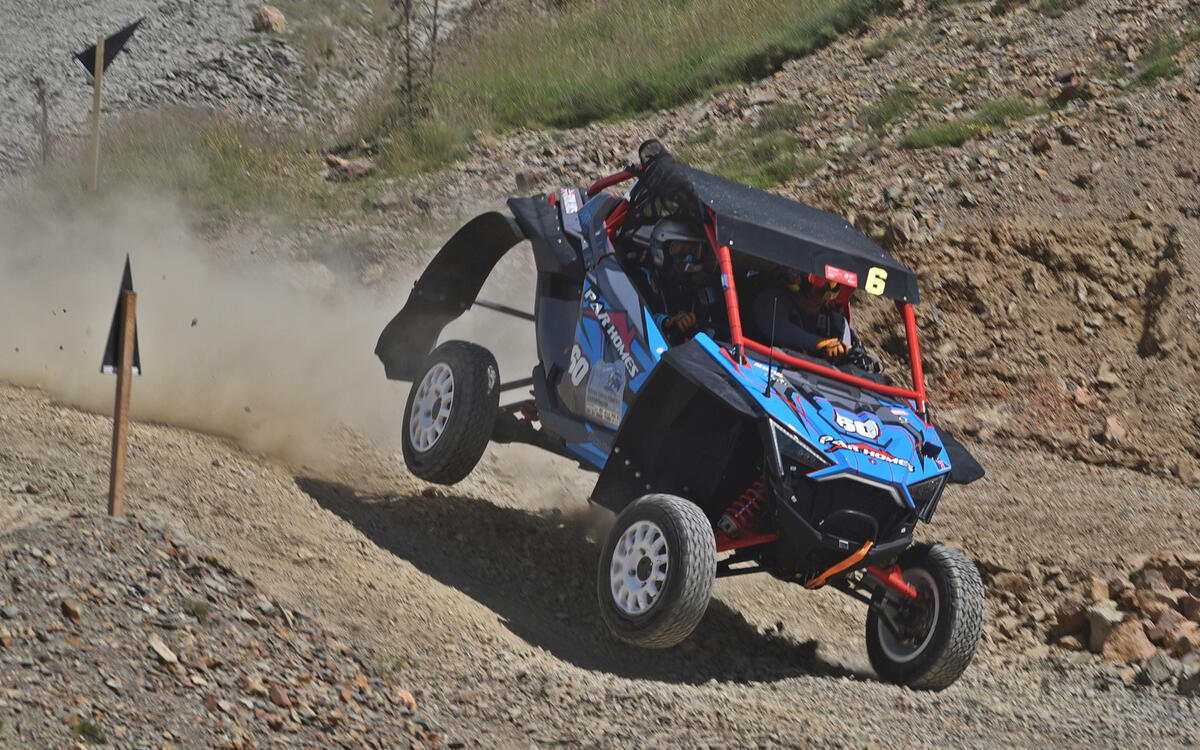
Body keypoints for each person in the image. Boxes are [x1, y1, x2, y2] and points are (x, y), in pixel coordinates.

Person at [751, 272, 851, 360]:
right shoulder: (770, 300)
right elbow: (780, 329)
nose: (824, 293)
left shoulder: (838, 324)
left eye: (832, 285)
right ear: (799, 278)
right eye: (819, 282)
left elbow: (849, 359)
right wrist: (818, 343)